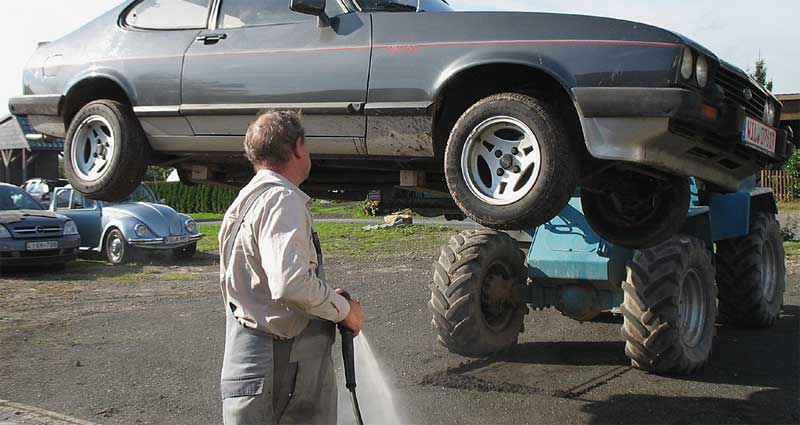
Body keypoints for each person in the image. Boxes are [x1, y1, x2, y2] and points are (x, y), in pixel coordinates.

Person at [219, 111, 364, 425]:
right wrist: (343, 310)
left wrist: (321, 297)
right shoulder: (282, 199)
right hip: (280, 370)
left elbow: (265, 283)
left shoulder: (244, 202)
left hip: (250, 367)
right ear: (299, 147)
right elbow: (289, 283)